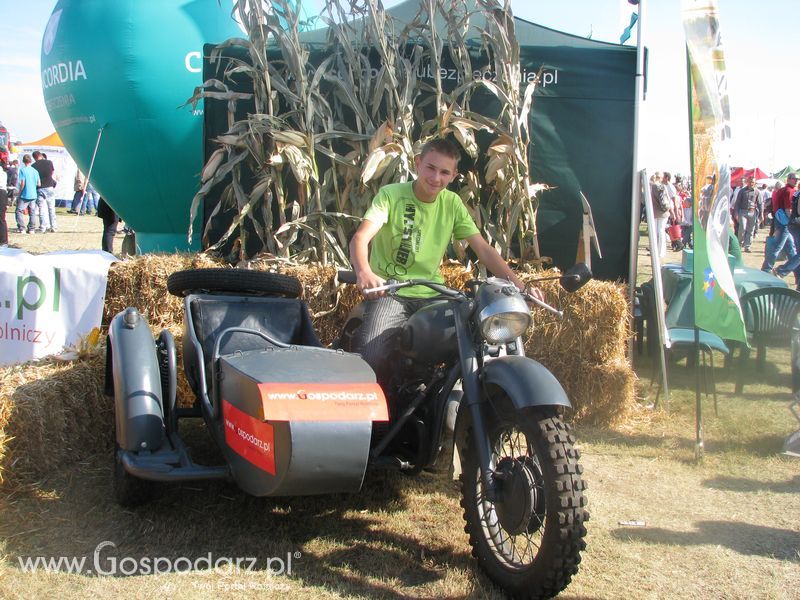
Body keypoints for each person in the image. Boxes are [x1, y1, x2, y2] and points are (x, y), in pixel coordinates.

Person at [349, 138, 543, 388]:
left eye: (444, 172)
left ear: (453, 175)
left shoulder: (451, 204)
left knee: (477, 341)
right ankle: (377, 422)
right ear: (418, 163)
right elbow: (360, 237)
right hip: (391, 291)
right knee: (372, 355)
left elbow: (483, 249)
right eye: (430, 168)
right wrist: (364, 272)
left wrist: (519, 286)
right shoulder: (391, 195)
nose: (435, 177)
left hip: (433, 293)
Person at [762, 173, 797, 272]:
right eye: (795, 179)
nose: (797, 181)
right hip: (785, 223)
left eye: (797, 179)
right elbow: (788, 209)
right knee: (777, 247)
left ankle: (797, 274)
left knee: (791, 250)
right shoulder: (789, 191)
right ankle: (766, 269)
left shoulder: (781, 190)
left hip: (780, 221)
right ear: (789, 179)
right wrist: (793, 222)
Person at [730, 176, 760, 252]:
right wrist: (736, 213)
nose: (751, 183)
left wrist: (761, 214)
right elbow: (737, 203)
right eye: (750, 182)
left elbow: (760, 203)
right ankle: (740, 244)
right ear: (747, 182)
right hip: (743, 212)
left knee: (750, 229)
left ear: (754, 183)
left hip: (752, 212)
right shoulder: (742, 191)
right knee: (742, 228)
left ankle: (747, 246)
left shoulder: (757, 192)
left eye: (752, 182)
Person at [32, 150, 57, 232]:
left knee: (41, 209)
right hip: (49, 186)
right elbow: (52, 172)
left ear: (34, 157)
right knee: (51, 208)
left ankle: (43, 227)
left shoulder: (33, 166)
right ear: (40, 155)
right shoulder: (49, 162)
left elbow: (34, 178)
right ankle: (54, 226)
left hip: (40, 187)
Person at [15, 154, 40, 234]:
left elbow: (22, 183)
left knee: (19, 210)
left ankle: (22, 228)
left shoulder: (22, 170)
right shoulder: (35, 171)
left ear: (23, 161)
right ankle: (32, 228)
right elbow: (39, 184)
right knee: (32, 212)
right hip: (33, 194)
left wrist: (19, 192)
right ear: (31, 161)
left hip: (25, 194)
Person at [649, 171, 670, 259]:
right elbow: (666, 200)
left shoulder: (651, 186)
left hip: (655, 212)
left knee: (657, 232)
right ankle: (660, 252)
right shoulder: (660, 186)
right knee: (660, 232)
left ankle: (657, 251)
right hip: (663, 212)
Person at [0, 164, 8, 247]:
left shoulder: (2, 173)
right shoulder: (3, 172)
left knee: (1, 218)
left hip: (1, 193)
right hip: (2, 193)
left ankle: (3, 241)